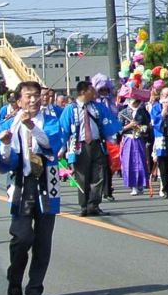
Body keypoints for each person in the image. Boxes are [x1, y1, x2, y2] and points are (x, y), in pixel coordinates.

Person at [0, 81, 61, 295]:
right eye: (28, 96)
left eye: (36, 96)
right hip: (22, 183)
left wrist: (32, 126)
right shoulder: (9, 124)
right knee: (22, 237)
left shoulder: (50, 121)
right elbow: (4, 163)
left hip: (46, 183)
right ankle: (15, 278)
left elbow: (51, 145)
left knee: (43, 240)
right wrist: (4, 145)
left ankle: (34, 289)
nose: (33, 100)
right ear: (19, 100)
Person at [49, 76, 118, 217]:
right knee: (82, 176)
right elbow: (63, 129)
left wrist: (111, 137)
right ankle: (84, 205)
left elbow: (107, 122)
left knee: (98, 176)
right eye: (92, 90)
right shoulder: (70, 109)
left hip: (97, 144)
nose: (95, 92)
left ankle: (94, 204)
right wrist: (62, 148)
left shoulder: (98, 107)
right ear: (84, 92)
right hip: (79, 146)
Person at [119, 91, 153, 195]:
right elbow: (118, 129)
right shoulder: (123, 113)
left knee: (141, 162)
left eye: (138, 101)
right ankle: (133, 186)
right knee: (129, 163)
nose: (136, 103)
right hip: (128, 139)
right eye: (134, 101)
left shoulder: (143, 112)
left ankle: (141, 184)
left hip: (139, 139)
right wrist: (129, 126)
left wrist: (142, 128)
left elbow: (149, 125)